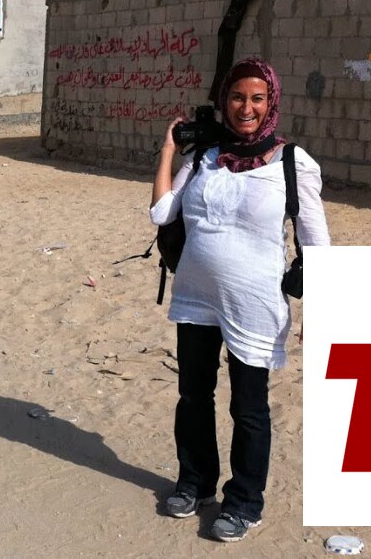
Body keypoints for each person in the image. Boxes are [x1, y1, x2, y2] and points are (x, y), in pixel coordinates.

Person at [149, 58, 330, 543]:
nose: (245, 108)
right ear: (224, 101)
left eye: (256, 98)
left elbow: (317, 243)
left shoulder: (293, 163)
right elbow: (162, 211)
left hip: (254, 307)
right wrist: (169, 151)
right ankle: (195, 482)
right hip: (196, 298)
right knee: (193, 396)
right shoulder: (205, 157)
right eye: (236, 97)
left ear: (271, 103)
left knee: (248, 409)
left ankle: (245, 502)